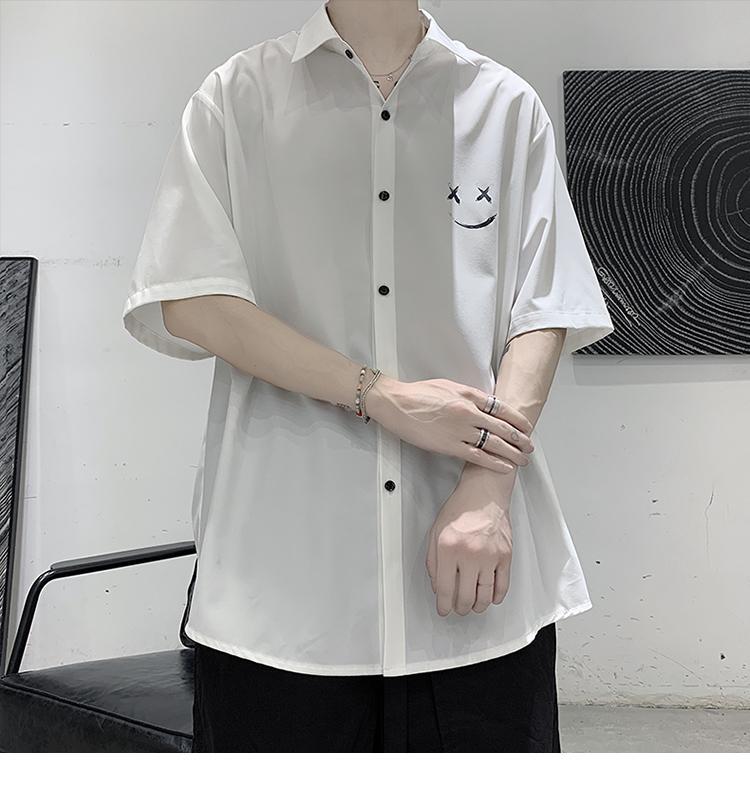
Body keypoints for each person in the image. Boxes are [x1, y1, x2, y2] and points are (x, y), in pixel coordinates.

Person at [122, 0, 614, 752]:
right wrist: (379, 394)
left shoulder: (505, 105)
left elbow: (543, 311)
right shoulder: (237, 98)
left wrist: (488, 489)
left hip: (476, 582)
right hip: (282, 588)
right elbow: (191, 302)